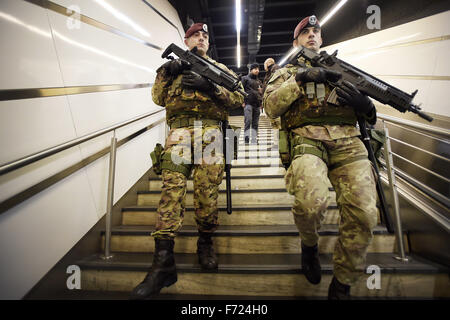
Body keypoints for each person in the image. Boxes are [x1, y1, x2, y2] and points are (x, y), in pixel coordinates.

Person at [263, 15, 378, 300]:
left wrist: (366, 106)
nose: (312, 35)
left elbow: (370, 108)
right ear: (296, 41)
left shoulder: (343, 70)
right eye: (306, 32)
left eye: (316, 31)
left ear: (322, 39)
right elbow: (270, 107)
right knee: (311, 201)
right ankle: (310, 245)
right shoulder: (285, 72)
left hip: (348, 143)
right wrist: (299, 80)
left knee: (364, 214)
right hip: (306, 138)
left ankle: (342, 282)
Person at [130, 23, 244, 299]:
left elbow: (240, 96)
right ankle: (163, 262)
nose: (201, 38)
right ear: (186, 39)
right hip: (179, 134)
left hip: (212, 134)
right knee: (171, 190)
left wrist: (211, 87)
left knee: (206, 194)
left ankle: (205, 243)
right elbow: (158, 98)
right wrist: (169, 72)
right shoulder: (173, 67)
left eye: (205, 35)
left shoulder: (219, 70)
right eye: (196, 35)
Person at [241, 63, 263, 144]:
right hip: (248, 103)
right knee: (248, 121)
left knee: (255, 123)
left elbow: (261, 93)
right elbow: (241, 90)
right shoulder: (245, 79)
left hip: (257, 105)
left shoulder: (259, 81)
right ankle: (246, 139)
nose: (257, 70)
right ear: (251, 70)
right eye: (255, 69)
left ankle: (254, 139)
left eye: (258, 69)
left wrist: (261, 102)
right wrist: (242, 101)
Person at [262, 58, 281, 130]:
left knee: (277, 124)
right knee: (275, 125)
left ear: (266, 64)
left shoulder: (275, 68)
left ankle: (278, 140)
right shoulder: (271, 71)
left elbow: (275, 84)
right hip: (272, 101)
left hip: (274, 101)